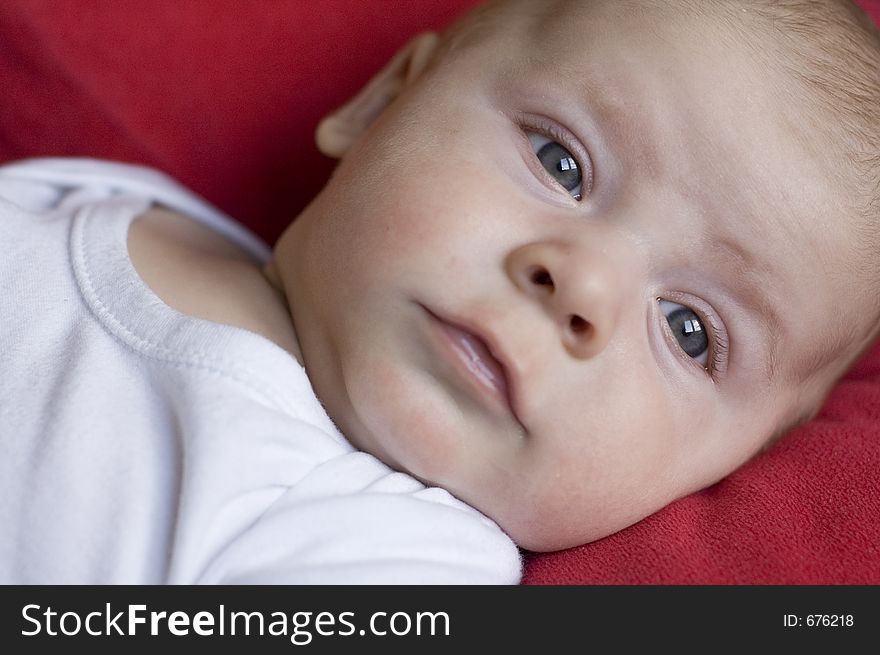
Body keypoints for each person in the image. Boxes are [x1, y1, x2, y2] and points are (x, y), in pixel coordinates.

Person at [1, 0, 878, 583]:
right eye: (560, 161)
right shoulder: (101, 205)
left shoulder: (396, 556)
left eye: (690, 331)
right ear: (384, 103)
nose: (583, 283)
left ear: (740, 460)